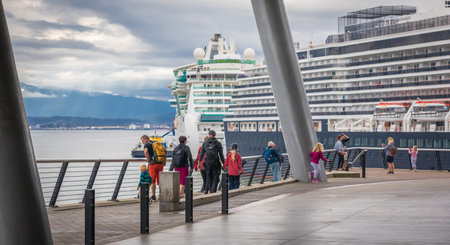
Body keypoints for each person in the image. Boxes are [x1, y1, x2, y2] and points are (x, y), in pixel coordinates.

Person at [141, 135, 167, 201]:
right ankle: (161, 196)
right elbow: (165, 151)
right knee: (160, 180)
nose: (142, 142)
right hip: (160, 164)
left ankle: (153, 195)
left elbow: (146, 152)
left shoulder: (147, 145)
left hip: (153, 165)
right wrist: (164, 161)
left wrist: (149, 160)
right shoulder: (156, 143)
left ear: (145, 139)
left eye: (142, 140)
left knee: (152, 180)